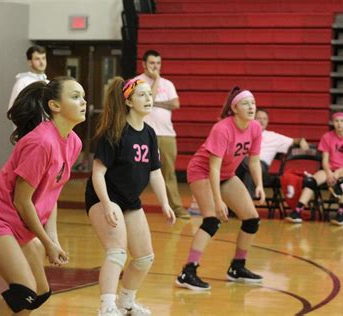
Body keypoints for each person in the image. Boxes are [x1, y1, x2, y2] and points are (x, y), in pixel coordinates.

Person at [0, 76, 86, 314]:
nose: (83, 101)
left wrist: (52, 240)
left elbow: (51, 195)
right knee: (24, 291)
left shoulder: (73, 142)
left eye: (83, 96)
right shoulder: (41, 142)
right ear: (54, 105)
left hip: (19, 226)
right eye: (75, 97)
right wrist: (45, 242)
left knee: (39, 293)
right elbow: (22, 201)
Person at [84, 77, 176, 315]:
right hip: (103, 197)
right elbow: (98, 173)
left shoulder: (149, 133)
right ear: (128, 101)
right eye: (142, 95)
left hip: (130, 201)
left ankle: (127, 302)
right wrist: (106, 204)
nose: (149, 98)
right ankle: (106, 307)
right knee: (117, 252)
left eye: (149, 94)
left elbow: (155, 172)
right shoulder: (114, 132)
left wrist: (165, 203)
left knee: (145, 257)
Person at [175, 87, 265, 291]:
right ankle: (188, 272)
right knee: (211, 221)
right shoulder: (222, 128)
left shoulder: (255, 128)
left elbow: (254, 161)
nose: (251, 107)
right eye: (245, 103)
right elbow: (213, 168)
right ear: (234, 108)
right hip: (202, 172)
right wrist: (218, 201)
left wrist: (259, 184)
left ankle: (237, 267)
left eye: (253, 102)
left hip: (226, 175)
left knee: (251, 219)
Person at [135, 50, 190, 219]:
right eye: (152, 63)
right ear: (144, 64)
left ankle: (177, 208)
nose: (155, 67)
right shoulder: (136, 82)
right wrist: (156, 81)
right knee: (136, 171)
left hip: (167, 134)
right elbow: (148, 99)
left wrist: (157, 102)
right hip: (143, 133)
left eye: (158, 63)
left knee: (168, 173)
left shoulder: (168, 83)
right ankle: (129, 204)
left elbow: (176, 104)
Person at [285, 111, 343, 224]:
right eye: (336, 121)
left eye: (342, 121)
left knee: (341, 183)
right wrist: (329, 173)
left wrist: (338, 172)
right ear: (333, 123)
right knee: (311, 181)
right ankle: (298, 211)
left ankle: (340, 213)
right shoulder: (327, 136)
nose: (339, 124)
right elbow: (325, 160)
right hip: (328, 169)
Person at [236, 108, 310, 198]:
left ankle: (237, 206)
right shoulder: (244, 133)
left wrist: (302, 140)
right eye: (259, 118)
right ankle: (248, 205)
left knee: (248, 164)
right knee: (246, 168)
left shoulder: (273, 136)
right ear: (252, 120)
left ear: (267, 122)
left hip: (262, 169)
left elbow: (294, 141)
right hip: (244, 168)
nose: (262, 121)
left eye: (264, 119)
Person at [8, 45, 48, 110]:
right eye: (37, 59)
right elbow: (13, 109)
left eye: (43, 58)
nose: (42, 62)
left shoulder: (48, 82)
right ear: (30, 62)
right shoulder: (22, 82)